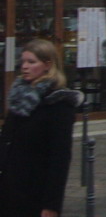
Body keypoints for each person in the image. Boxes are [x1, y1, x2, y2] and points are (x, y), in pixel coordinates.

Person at [0, 39, 83, 217]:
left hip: (34, 191)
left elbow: (59, 158)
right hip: (8, 189)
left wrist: (52, 205)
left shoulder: (58, 103)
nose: (25, 67)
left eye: (31, 62)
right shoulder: (19, 96)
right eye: (23, 62)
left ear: (47, 65)